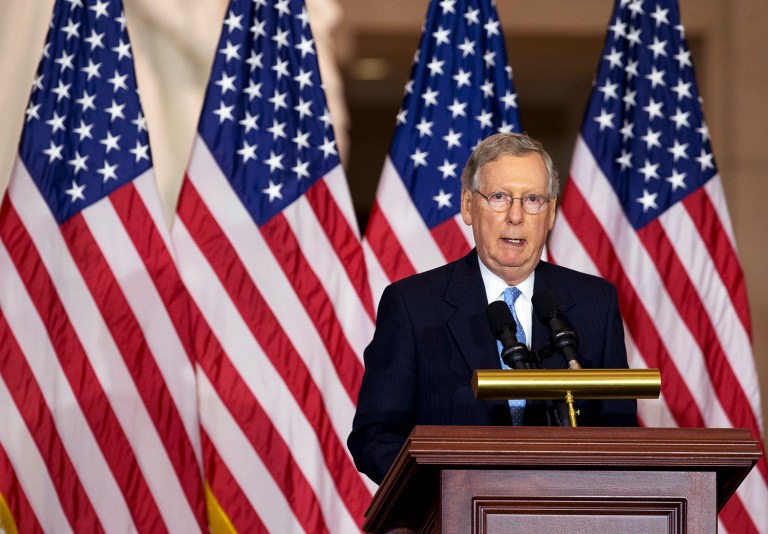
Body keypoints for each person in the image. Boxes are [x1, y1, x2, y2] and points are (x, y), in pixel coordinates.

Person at [348, 133, 637, 485]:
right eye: (499, 197)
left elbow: (620, 436)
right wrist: (445, 494)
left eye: (532, 199)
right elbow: (375, 435)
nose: (515, 216)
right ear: (468, 205)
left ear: (550, 213)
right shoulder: (413, 306)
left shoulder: (595, 302)